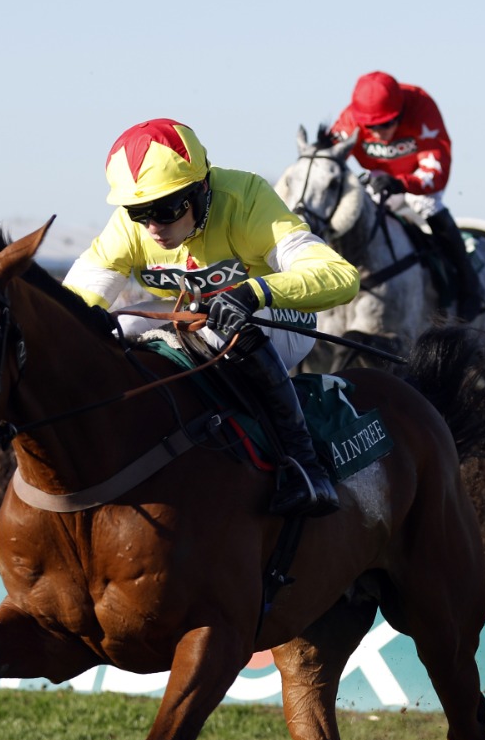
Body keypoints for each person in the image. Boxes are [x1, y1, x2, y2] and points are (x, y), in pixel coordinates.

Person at [63, 118, 359, 517]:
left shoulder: (248, 198)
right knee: (122, 327)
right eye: (138, 213)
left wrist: (255, 292)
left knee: (224, 331)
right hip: (191, 319)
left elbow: (341, 277)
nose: (152, 227)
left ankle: (306, 468)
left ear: (201, 189)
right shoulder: (129, 227)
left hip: (277, 318)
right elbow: (71, 311)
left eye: (166, 209)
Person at [331, 71, 485, 320]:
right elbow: (328, 159)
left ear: (401, 112)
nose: (379, 133)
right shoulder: (350, 118)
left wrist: (402, 182)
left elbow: (436, 173)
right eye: (371, 127)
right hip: (380, 176)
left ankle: (470, 285)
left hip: (418, 176)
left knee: (424, 204)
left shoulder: (421, 106)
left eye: (387, 124)